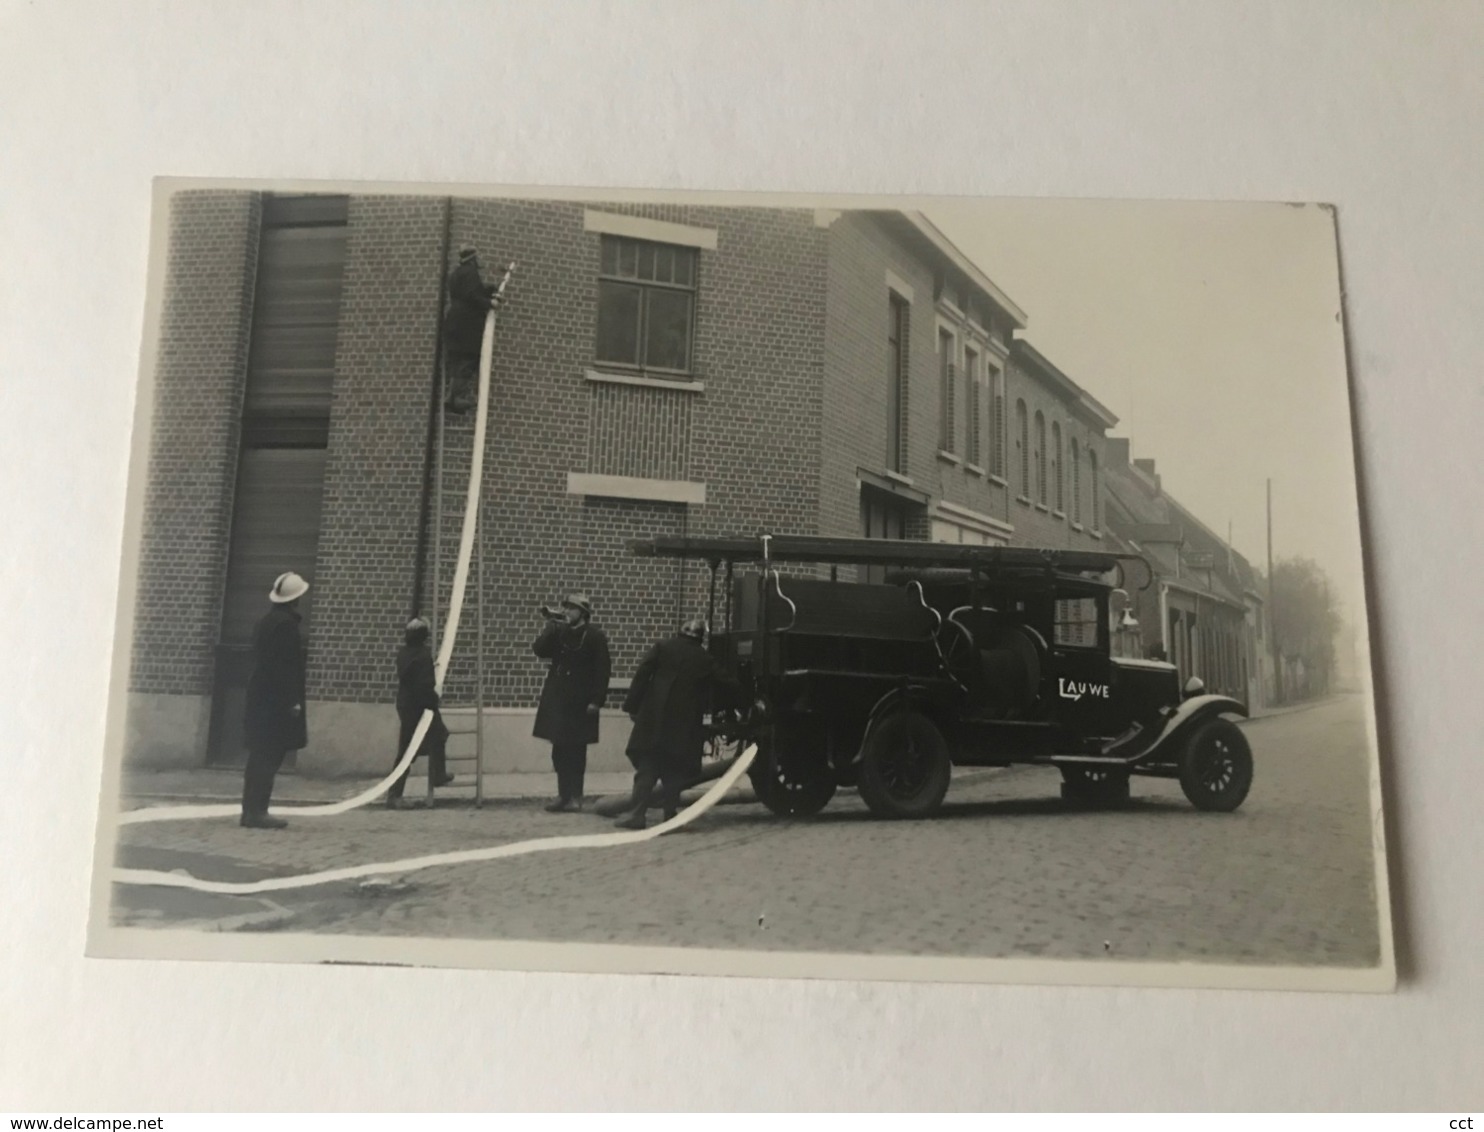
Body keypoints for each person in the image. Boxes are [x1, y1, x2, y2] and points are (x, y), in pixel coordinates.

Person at [616, 617, 739, 830]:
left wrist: (632, 706)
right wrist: (734, 704)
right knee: (674, 771)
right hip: (683, 726)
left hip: (654, 719)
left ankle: (636, 815)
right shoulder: (704, 658)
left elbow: (642, 674)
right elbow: (727, 683)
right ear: (700, 637)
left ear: (681, 631)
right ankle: (671, 817)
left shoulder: (663, 647)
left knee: (648, 768)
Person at [240, 571, 310, 829]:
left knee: (259, 755)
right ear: (295, 599)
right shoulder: (287, 627)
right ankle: (258, 811)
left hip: (260, 699)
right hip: (275, 703)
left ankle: (250, 810)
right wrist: (292, 700)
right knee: (269, 756)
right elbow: (285, 667)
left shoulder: (265, 622)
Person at [532, 593, 611, 812]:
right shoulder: (560, 633)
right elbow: (539, 650)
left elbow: (602, 671)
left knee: (576, 750)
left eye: (572, 609)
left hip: (581, 701)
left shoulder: (595, 636)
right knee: (558, 749)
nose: (567, 612)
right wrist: (550, 628)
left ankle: (576, 796)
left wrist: (597, 700)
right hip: (559, 699)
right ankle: (562, 795)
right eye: (566, 608)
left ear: (583, 613)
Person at [387, 617, 454, 809]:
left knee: (437, 736)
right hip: (420, 707)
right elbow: (425, 685)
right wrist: (433, 701)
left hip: (407, 705)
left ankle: (436, 773)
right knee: (411, 749)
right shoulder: (423, 656)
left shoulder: (403, 653)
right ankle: (395, 795)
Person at [441, 245, 503, 415]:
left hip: (455, 322)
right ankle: (456, 397)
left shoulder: (457, 274)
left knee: (457, 361)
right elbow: (471, 296)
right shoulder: (470, 273)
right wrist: (490, 303)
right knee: (468, 359)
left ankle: (452, 396)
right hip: (466, 325)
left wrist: (489, 290)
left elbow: (469, 292)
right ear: (474, 258)